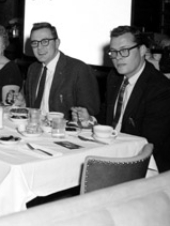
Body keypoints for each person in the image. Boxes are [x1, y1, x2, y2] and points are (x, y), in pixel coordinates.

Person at [73, 26, 170, 172]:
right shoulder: (115, 77)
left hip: (143, 165)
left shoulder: (160, 89)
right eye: (113, 52)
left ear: (142, 50)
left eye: (124, 51)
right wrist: (90, 120)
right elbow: (109, 117)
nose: (117, 57)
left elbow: (147, 143)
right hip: (110, 151)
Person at [22, 22, 100, 119]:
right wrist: (23, 103)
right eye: (35, 43)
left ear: (57, 43)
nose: (39, 48)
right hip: (35, 125)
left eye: (45, 41)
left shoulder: (79, 70)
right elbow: (32, 105)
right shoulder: (33, 69)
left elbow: (90, 113)